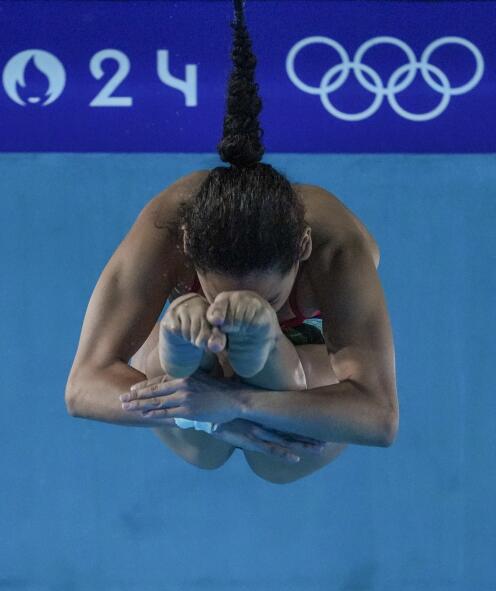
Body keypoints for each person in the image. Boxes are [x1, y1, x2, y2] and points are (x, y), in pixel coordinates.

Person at [63, 0, 398, 483]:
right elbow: (83, 386)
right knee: (177, 335)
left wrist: (237, 403)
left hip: (298, 380)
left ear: (302, 247)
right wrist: (204, 416)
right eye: (220, 292)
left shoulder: (335, 248)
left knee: (272, 390)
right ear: (188, 246)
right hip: (199, 403)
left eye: (271, 296)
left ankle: (260, 338)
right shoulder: (165, 228)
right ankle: (194, 334)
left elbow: (379, 416)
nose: (236, 304)